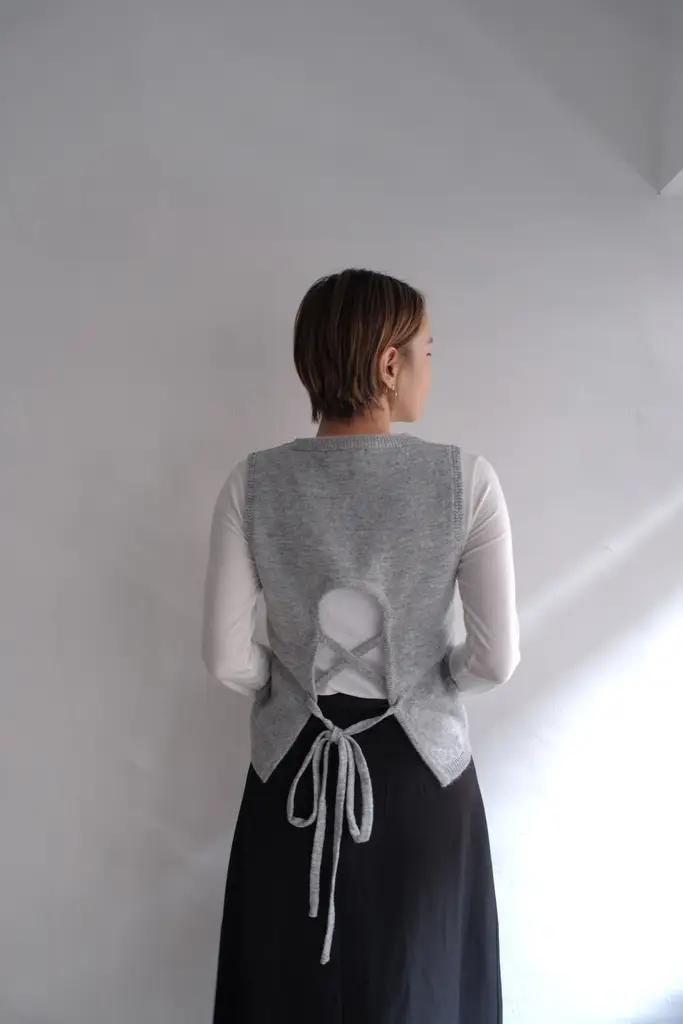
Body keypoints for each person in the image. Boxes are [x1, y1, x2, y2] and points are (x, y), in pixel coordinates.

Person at [202, 268, 520, 1023]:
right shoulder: (465, 481)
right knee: (421, 990)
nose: (429, 368)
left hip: (294, 778)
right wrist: (429, 679)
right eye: (426, 351)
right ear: (387, 364)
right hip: (423, 784)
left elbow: (225, 657)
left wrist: (288, 685)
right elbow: (494, 658)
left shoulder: (253, 483)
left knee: (286, 994)